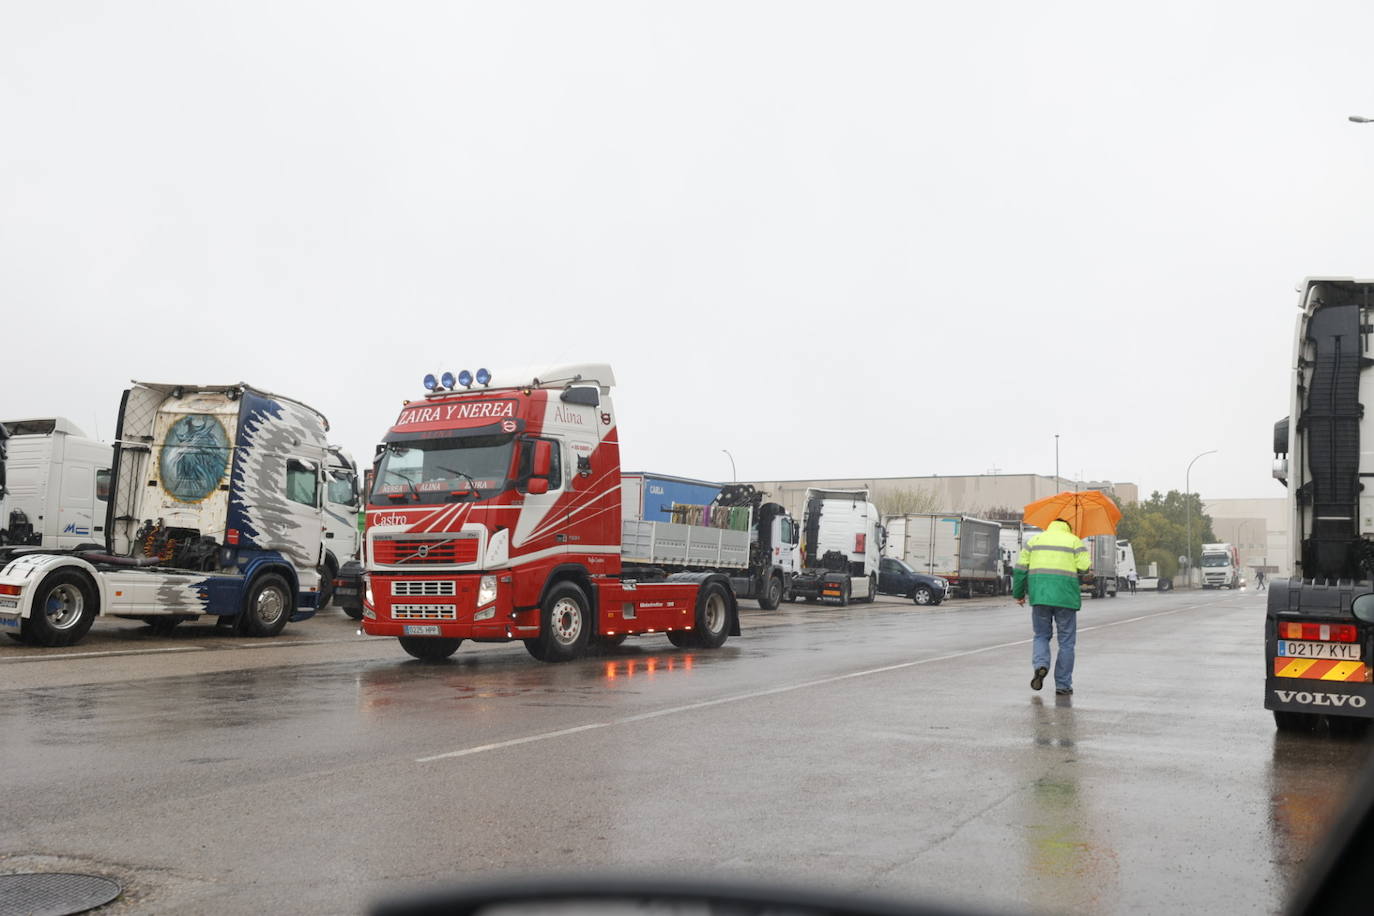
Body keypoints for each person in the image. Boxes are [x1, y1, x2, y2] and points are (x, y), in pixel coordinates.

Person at [1013, 517, 1091, 696]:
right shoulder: (1074, 541)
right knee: (1066, 643)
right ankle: (1063, 685)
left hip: (1039, 597)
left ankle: (1041, 665)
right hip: (1066, 599)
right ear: (1068, 527)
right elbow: (1084, 567)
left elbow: (1020, 570)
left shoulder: (1034, 541)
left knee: (1041, 635)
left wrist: (1018, 594)